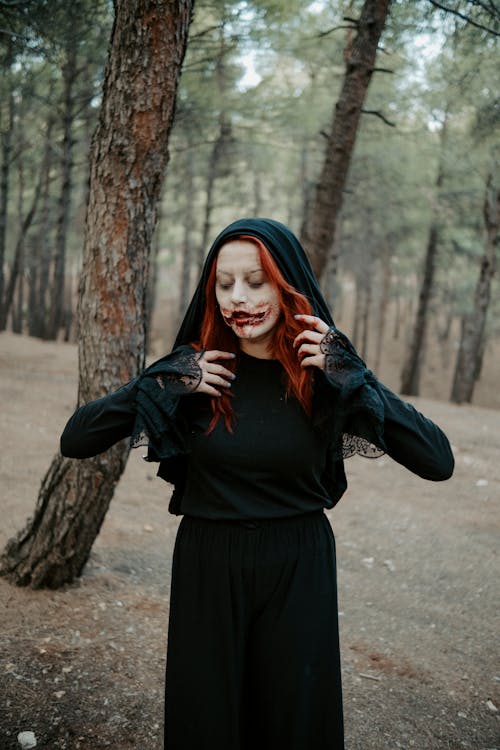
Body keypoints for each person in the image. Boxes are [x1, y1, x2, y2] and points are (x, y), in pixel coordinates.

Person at [60, 217, 454, 750]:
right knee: (208, 722)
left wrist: (358, 378)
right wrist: (158, 382)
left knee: (294, 724)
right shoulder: (195, 372)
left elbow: (438, 460)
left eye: (255, 281)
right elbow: (76, 438)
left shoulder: (327, 375)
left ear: (286, 283)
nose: (237, 298)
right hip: (207, 565)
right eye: (224, 284)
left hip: (299, 568)